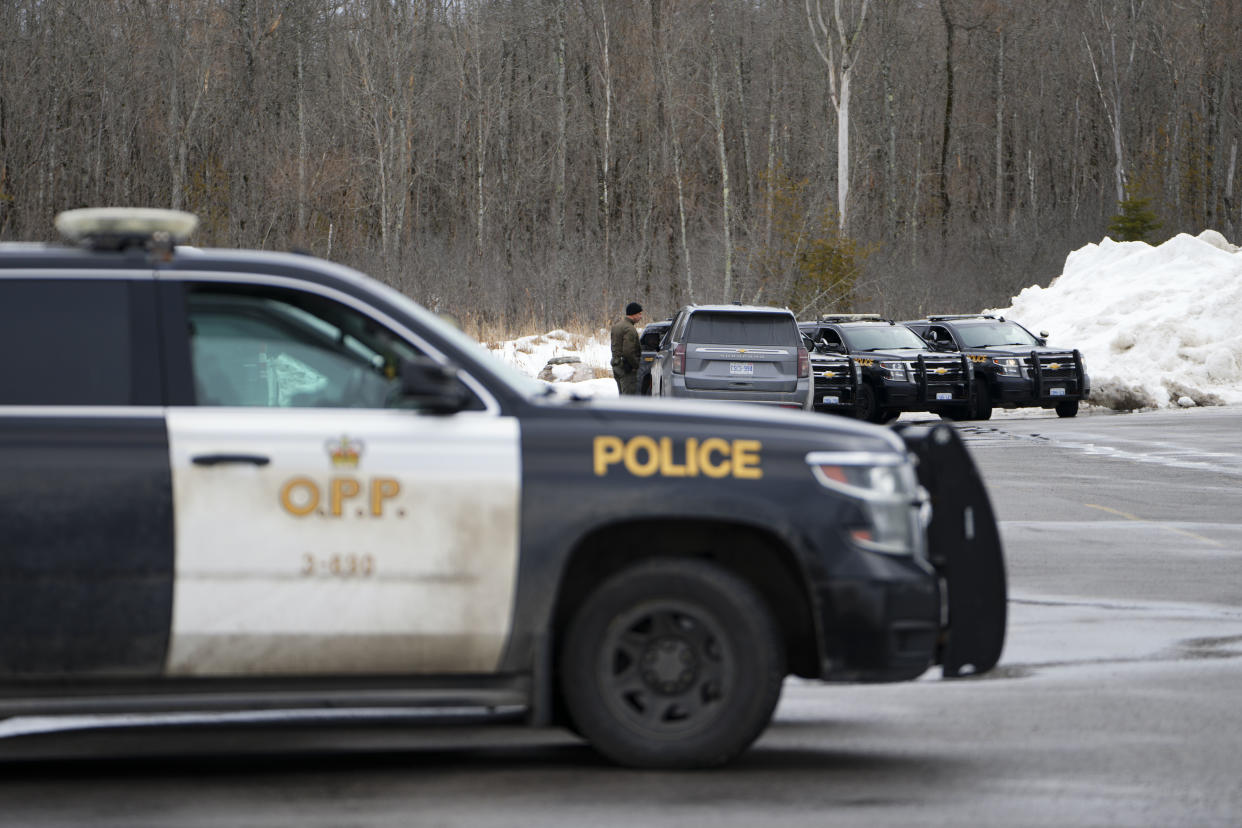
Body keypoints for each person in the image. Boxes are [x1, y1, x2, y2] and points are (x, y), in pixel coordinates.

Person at [610, 301, 643, 395]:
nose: (641, 316)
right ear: (633, 314)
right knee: (628, 400)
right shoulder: (629, 329)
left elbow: (614, 346)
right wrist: (636, 365)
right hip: (626, 368)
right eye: (639, 314)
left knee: (622, 398)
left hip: (616, 365)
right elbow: (628, 351)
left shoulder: (616, 326)